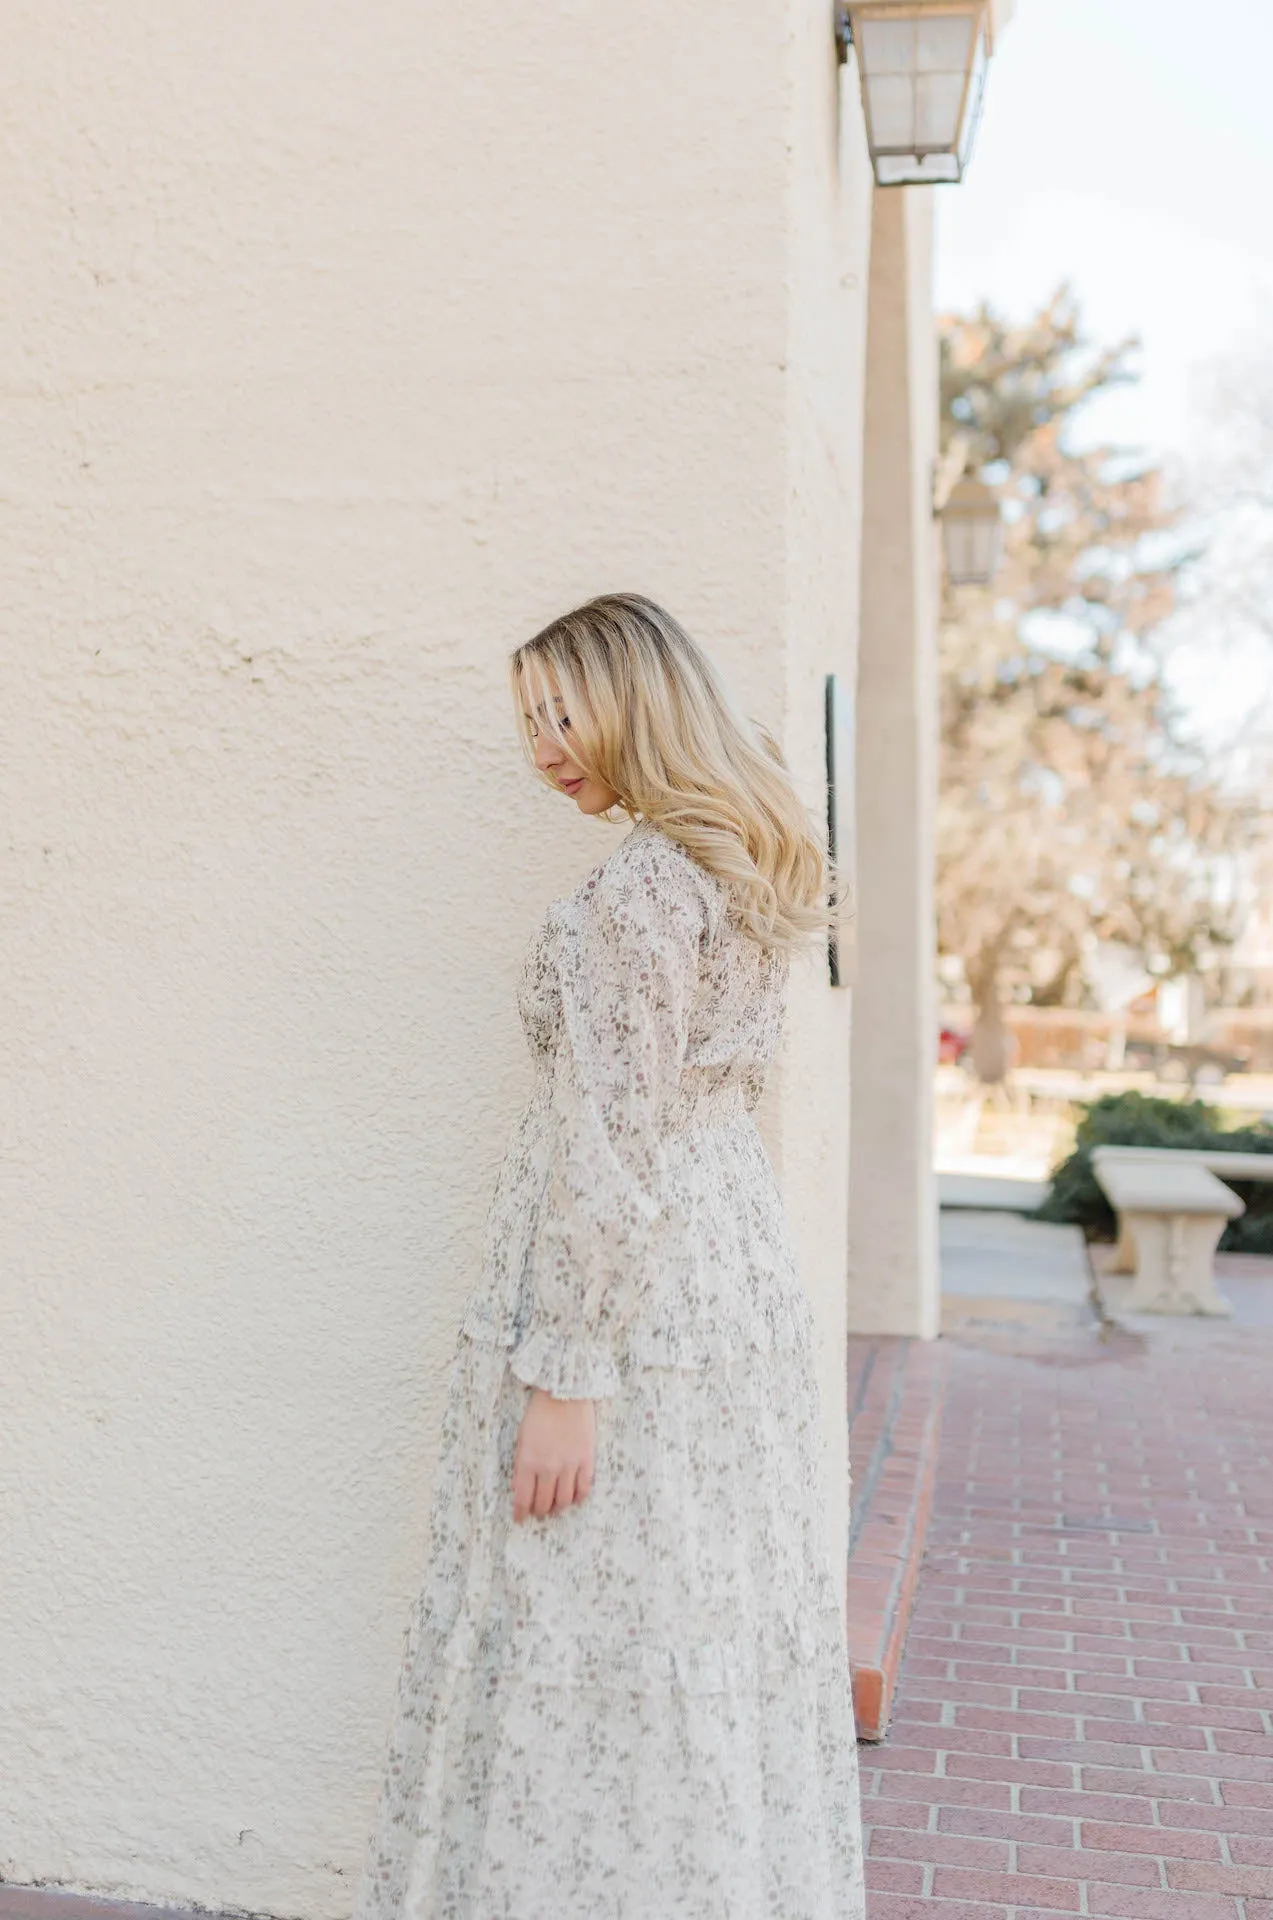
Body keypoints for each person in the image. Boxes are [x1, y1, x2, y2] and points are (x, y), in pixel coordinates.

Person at [352, 594, 866, 1919]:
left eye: (560, 711)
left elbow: (611, 1145)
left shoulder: (641, 889)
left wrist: (568, 1372)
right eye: (528, 721)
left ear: (637, 700)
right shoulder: (731, 859)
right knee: (688, 1624)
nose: (543, 748)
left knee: (586, 1625)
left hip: (640, 1307)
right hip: (725, 1271)